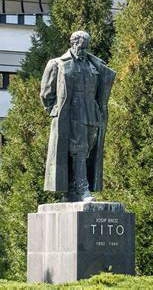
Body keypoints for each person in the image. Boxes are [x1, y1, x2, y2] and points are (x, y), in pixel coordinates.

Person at [40, 30, 116, 202]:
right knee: (79, 149)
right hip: (72, 113)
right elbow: (46, 94)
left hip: (91, 112)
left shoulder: (94, 65)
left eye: (86, 47)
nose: (83, 50)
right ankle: (83, 189)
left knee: (88, 149)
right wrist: (58, 112)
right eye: (81, 47)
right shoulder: (58, 64)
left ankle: (71, 189)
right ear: (73, 44)